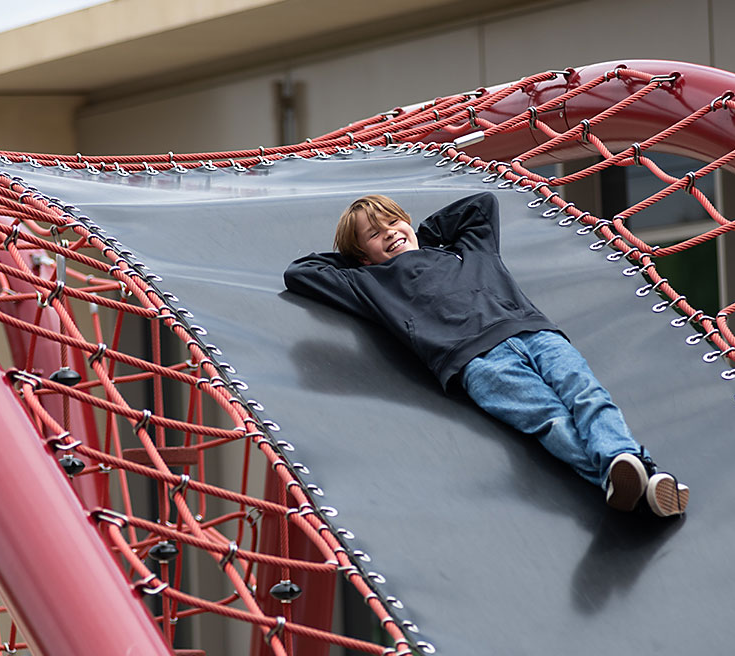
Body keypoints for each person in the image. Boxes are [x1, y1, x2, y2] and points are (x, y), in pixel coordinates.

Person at [283, 192, 689, 516]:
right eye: (374, 234)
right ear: (361, 255)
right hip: (478, 360)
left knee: (587, 396)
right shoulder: (370, 283)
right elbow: (301, 273)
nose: (389, 232)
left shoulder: (467, 250)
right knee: (549, 419)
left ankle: (627, 468)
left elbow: (481, 205)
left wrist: (423, 234)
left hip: (534, 331)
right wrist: (359, 259)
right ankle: (634, 475)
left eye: (392, 221)